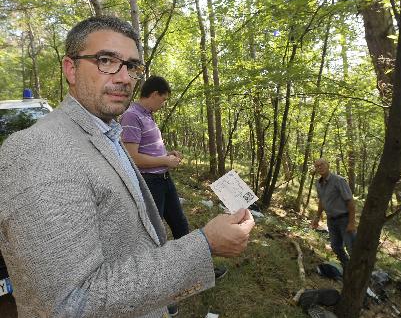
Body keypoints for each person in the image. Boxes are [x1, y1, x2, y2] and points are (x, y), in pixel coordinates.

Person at [0, 16, 254, 318]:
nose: (124, 78)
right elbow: (70, 305)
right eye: (106, 60)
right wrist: (205, 244)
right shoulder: (38, 150)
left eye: (132, 66)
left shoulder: (105, 130)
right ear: (70, 68)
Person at [120, 76, 227, 315]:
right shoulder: (131, 116)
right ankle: (161, 295)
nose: (164, 104)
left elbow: (149, 149)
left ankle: (196, 270)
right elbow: (133, 157)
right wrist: (164, 161)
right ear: (154, 94)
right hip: (150, 183)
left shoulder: (148, 116)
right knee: (154, 236)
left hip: (165, 179)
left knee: (180, 226)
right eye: (164, 100)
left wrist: (168, 155)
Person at [311, 158, 356, 270]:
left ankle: (359, 274)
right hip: (331, 220)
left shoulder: (339, 180)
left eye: (322, 164)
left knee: (352, 248)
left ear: (328, 165)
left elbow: (350, 201)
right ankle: (347, 267)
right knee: (335, 247)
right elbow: (322, 201)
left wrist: (352, 222)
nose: (319, 167)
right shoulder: (318, 183)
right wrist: (317, 216)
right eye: (317, 166)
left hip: (344, 219)